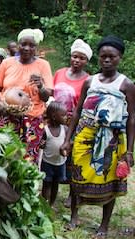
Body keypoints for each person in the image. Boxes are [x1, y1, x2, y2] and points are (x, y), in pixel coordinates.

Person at [60, 36, 135, 239]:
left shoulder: (126, 84)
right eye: (103, 57)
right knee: (77, 175)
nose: (107, 60)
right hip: (86, 134)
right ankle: (74, 216)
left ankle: (104, 224)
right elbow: (76, 112)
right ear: (99, 58)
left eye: (112, 57)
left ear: (120, 58)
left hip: (112, 138)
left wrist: (129, 151)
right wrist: (67, 139)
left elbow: (132, 119)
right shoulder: (89, 81)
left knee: (110, 179)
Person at [0, 28, 53, 163]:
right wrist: (0, 105)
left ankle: (24, 184)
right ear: (18, 45)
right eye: (23, 44)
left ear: (36, 47)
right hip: (8, 117)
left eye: (31, 45)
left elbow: (46, 97)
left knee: (28, 162)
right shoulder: (7, 63)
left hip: (32, 120)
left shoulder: (43, 65)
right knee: (5, 157)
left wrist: (41, 86)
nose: (26, 48)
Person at [53, 39, 92, 208]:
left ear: (86, 61)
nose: (77, 60)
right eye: (75, 56)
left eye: (81, 58)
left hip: (74, 122)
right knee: (54, 153)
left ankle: (72, 194)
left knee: (73, 158)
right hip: (55, 121)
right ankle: (51, 186)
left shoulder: (89, 80)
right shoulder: (60, 73)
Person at [40, 101, 68, 207]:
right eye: (63, 115)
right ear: (54, 116)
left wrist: (65, 151)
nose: (66, 117)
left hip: (60, 163)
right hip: (47, 163)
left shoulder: (65, 129)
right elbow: (42, 145)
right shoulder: (45, 130)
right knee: (46, 184)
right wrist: (42, 144)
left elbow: (68, 144)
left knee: (56, 184)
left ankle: (51, 204)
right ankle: (44, 204)